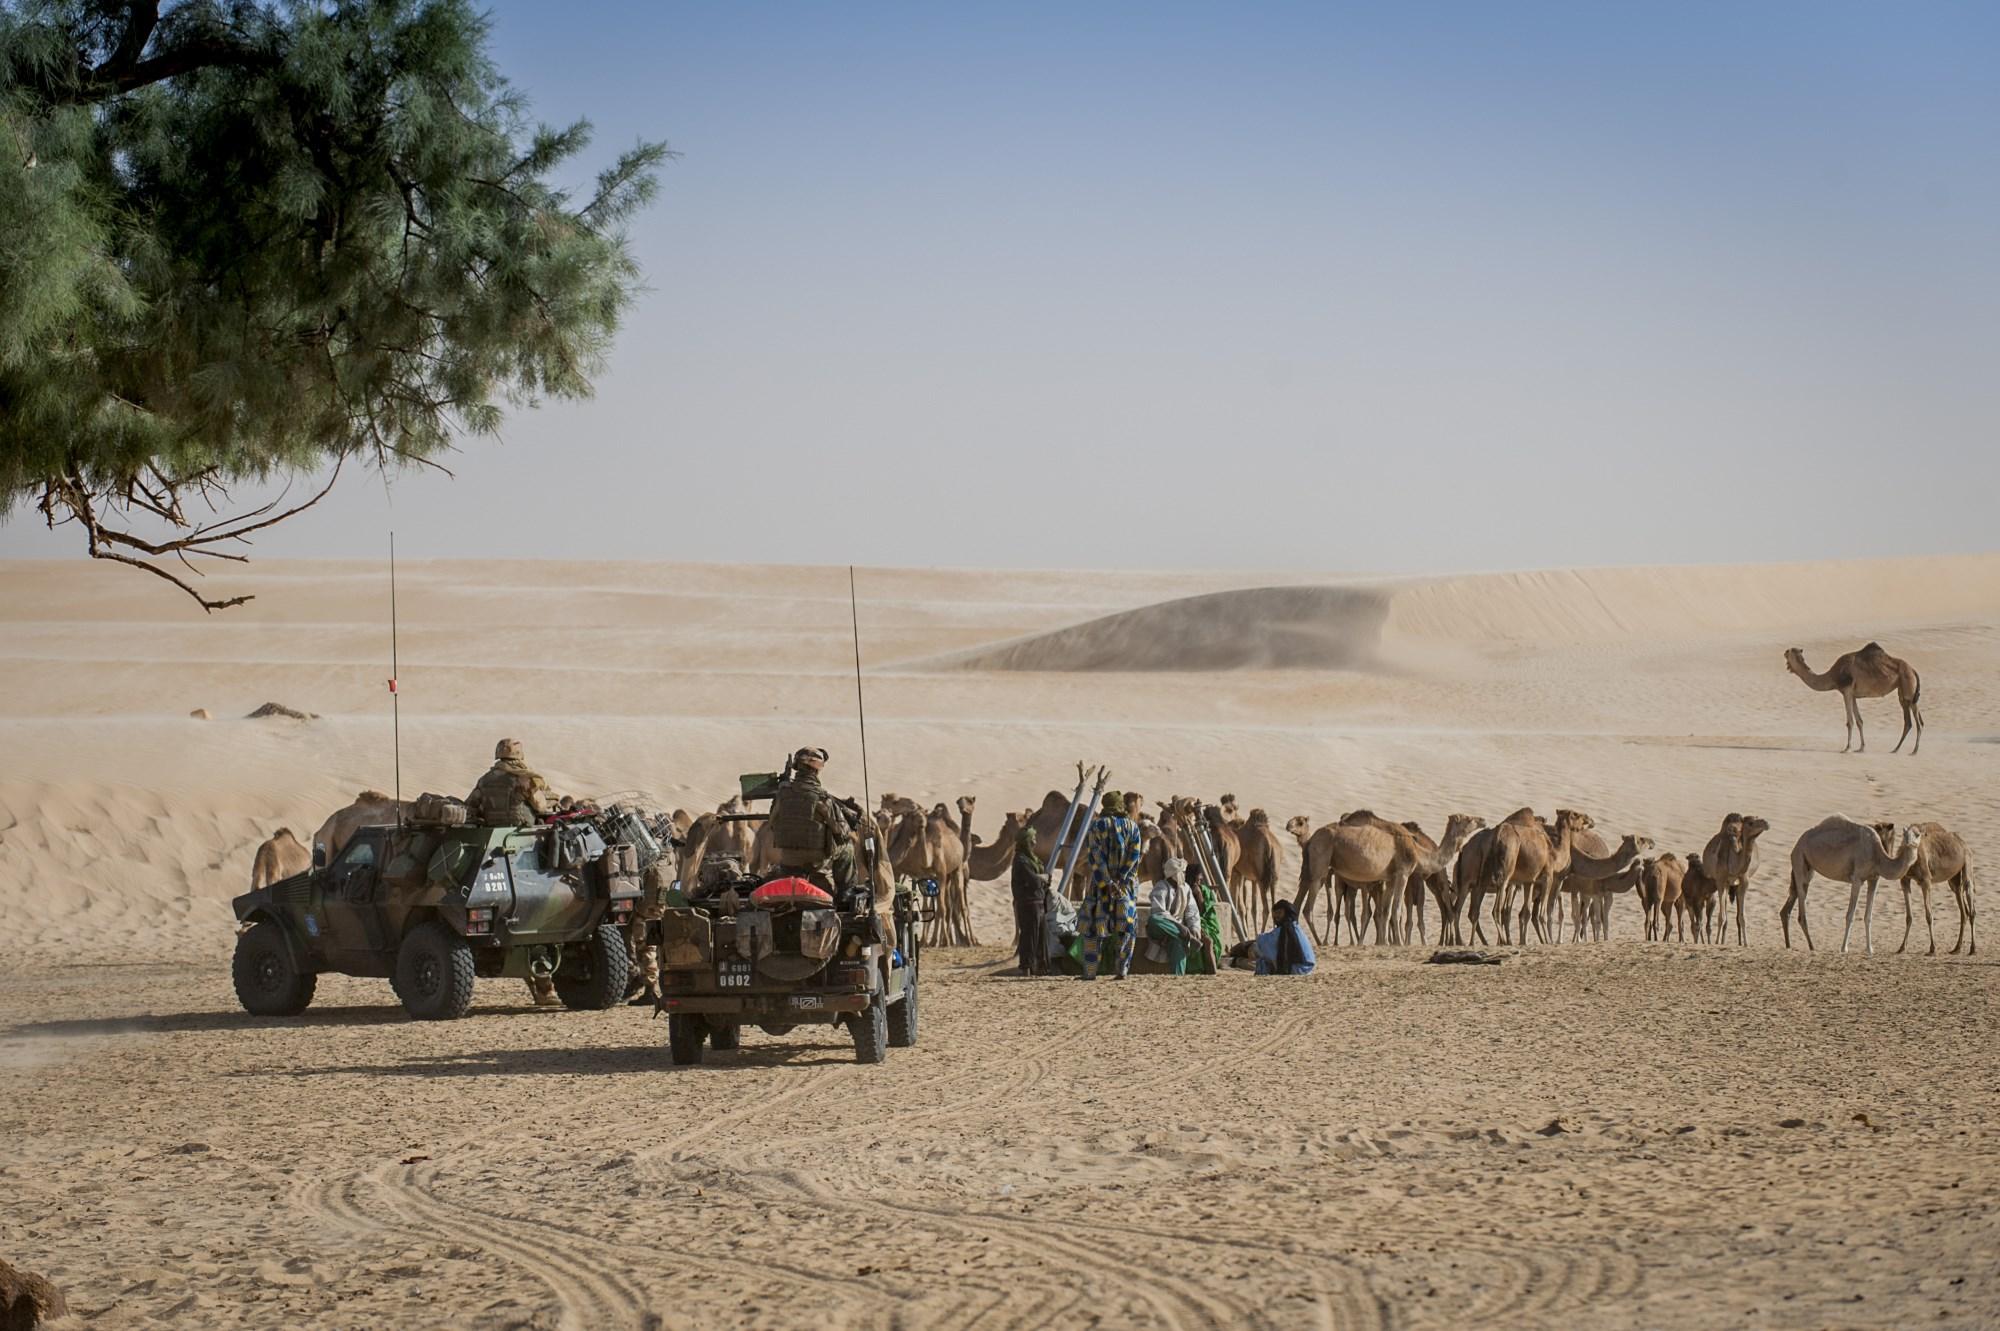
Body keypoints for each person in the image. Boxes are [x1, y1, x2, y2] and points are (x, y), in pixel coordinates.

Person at [767, 746, 856, 891]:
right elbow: (841, 834)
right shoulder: (822, 797)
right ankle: (846, 893)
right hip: (815, 861)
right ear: (817, 769)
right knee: (848, 848)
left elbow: (772, 824)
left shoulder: (782, 794)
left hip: (788, 859)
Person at [1076, 791, 1143, 980]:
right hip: (1126, 888)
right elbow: (1134, 857)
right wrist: (1121, 880)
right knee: (1126, 928)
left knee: (1092, 929)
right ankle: (1122, 970)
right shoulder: (1133, 827)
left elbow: (1095, 858)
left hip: (1101, 888)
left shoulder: (1097, 826)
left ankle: (1090, 972)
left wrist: (1108, 882)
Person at [467, 738, 557, 827]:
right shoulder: (524, 779)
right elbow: (540, 806)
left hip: (492, 828)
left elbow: (470, 804)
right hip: (519, 830)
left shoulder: (484, 780)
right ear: (519, 754)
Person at [1145, 857, 1205, 975]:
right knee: (1154, 919)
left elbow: (1192, 911)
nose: (1184, 874)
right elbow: (1159, 913)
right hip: (1161, 927)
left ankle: (1178, 977)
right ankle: (1188, 938)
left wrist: (1194, 928)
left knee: (1178, 941)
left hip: (1180, 933)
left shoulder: (1185, 888)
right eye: (1182, 872)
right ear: (1175, 874)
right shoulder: (1161, 887)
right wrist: (1179, 927)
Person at [1011, 827, 1050, 976]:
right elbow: (1033, 880)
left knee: (1041, 937)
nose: (1035, 842)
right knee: (1029, 936)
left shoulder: (1033, 860)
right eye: (1032, 839)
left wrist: (1043, 879)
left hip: (1039, 902)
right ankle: (1026, 967)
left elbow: (1046, 878)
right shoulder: (1020, 860)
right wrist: (1042, 878)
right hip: (1027, 904)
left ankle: (1041, 968)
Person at [1255, 898, 1317, 975]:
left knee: (1261, 958)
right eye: (1275, 914)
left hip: (1297, 969)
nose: (1277, 917)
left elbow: (1263, 942)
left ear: (1287, 912)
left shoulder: (1284, 930)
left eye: (1279, 913)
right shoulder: (1297, 928)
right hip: (1308, 968)